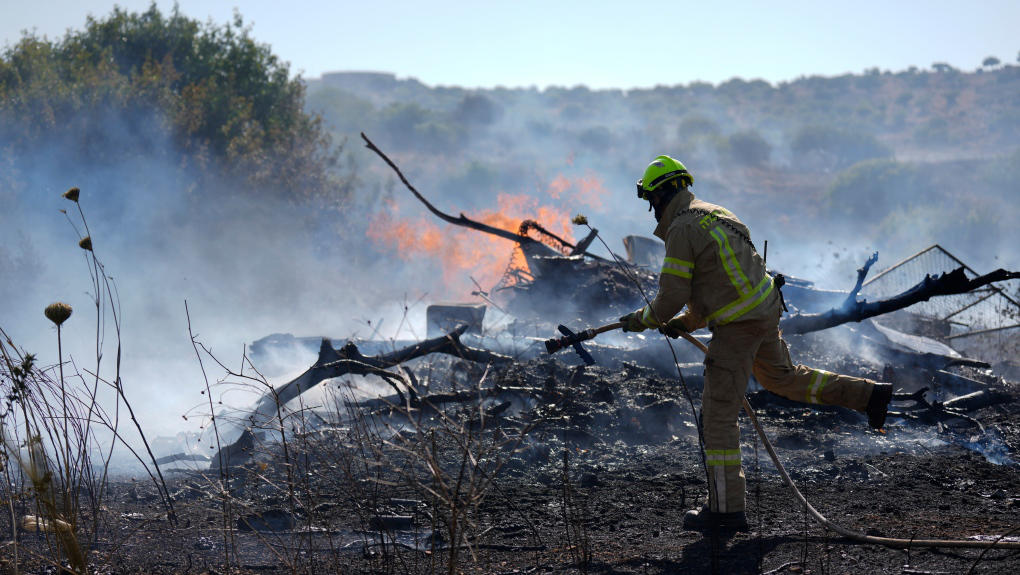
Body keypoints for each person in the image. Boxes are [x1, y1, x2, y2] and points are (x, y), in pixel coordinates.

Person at [619, 155, 893, 532]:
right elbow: (715, 286)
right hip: (764, 311)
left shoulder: (682, 229)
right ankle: (869, 396)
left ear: (663, 194)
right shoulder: (718, 214)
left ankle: (725, 510)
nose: (652, 209)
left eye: (652, 200)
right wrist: (687, 322)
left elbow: (672, 294)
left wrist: (643, 319)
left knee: (717, 415)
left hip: (738, 327)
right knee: (783, 378)